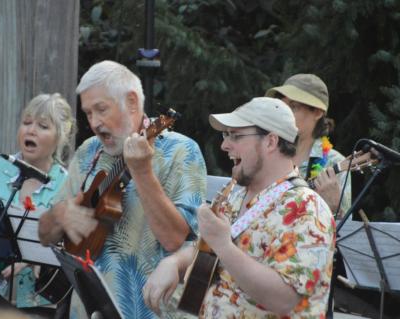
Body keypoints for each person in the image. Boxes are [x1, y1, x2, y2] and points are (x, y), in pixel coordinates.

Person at [38, 60, 207, 318]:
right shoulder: (88, 151)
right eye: (88, 113)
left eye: (101, 109)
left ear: (131, 102)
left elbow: (174, 239)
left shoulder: (181, 151)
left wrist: (142, 172)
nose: (94, 122)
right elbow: (44, 234)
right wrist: (60, 214)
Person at [143, 97, 335, 318]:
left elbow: (284, 299)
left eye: (236, 135)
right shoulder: (235, 193)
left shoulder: (307, 208)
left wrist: (224, 246)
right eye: (226, 135)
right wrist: (174, 262)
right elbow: (205, 249)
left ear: (271, 142)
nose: (224, 145)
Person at [0, 93, 76, 309]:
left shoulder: (68, 187)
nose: (31, 130)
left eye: (42, 126)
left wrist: (38, 256)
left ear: (60, 137)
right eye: (26, 123)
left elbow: (74, 253)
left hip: (37, 305)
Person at [266, 74, 351, 219]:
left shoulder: (335, 162)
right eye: (282, 106)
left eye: (293, 107)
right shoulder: (268, 151)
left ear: (317, 112)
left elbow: (345, 233)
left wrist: (333, 207)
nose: (284, 113)